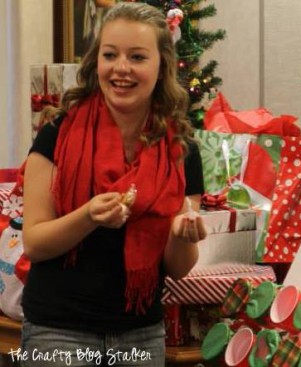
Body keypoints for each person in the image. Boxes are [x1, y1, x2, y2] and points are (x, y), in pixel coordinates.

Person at [20, 2, 207, 366]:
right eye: (110, 55)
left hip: (140, 332)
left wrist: (183, 235)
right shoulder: (57, 134)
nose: (121, 68)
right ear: (96, 62)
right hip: (58, 331)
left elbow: (179, 269)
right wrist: (89, 216)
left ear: (161, 65)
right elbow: (35, 243)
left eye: (137, 57)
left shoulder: (182, 150)